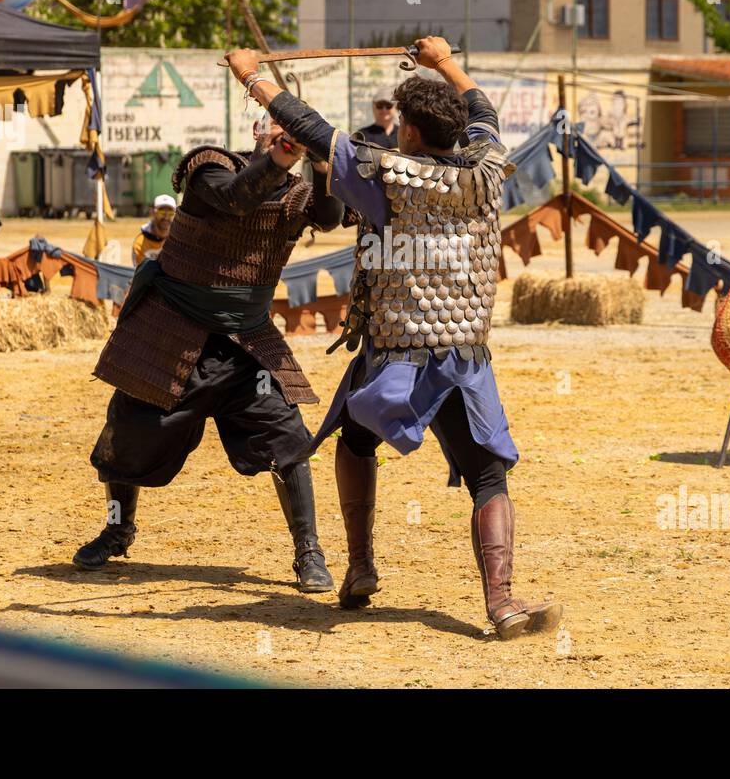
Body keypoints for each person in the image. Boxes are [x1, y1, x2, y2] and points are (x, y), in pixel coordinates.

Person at [225, 36, 563, 640]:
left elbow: (313, 127)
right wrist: (446, 63)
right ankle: (503, 603)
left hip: (396, 363)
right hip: (465, 360)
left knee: (354, 443)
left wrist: (252, 78)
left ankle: (359, 566)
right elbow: (482, 111)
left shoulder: (386, 177)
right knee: (489, 477)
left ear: (405, 131)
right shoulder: (486, 170)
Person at [75, 117, 345, 595]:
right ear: (258, 127)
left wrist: (325, 159)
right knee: (126, 437)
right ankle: (119, 531)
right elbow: (236, 198)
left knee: (288, 441)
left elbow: (327, 215)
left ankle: (309, 551)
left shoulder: (297, 189)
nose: (282, 140)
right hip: (172, 332)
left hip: (246, 345)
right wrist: (283, 152)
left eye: (291, 135)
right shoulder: (211, 166)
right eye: (276, 129)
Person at [132, 194, 176, 266]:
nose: (166, 217)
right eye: (162, 212)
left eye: (170, 213)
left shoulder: (178, 241)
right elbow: (140, 274)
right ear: (153, 212)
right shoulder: (140, 243)